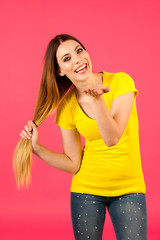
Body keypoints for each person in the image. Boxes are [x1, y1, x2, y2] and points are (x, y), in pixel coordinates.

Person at [14, 34, 147, 240]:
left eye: (79, 51)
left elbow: (113, 138)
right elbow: (73, 163)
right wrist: (37, 148)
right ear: (60, 70)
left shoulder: (120, 82)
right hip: (86, 192)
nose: (77, 59)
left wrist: (98, 101)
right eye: (66, 58)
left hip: (129, 189)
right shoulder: (66, 108)